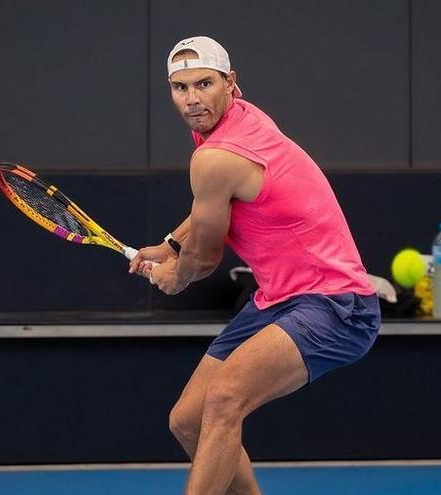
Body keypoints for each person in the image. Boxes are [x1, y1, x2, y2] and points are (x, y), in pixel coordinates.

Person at [129, 36, 380, 495]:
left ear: (230, 83)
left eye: (204, 84)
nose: (192, 99)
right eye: (180, 88)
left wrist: (174, 276)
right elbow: (213, 204)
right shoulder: (234, 123)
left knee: (225, 398)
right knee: (187, 421)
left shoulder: (214, 155)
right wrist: (170, 244)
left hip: (337, 304)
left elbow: (204, 260)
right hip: (278, 299)